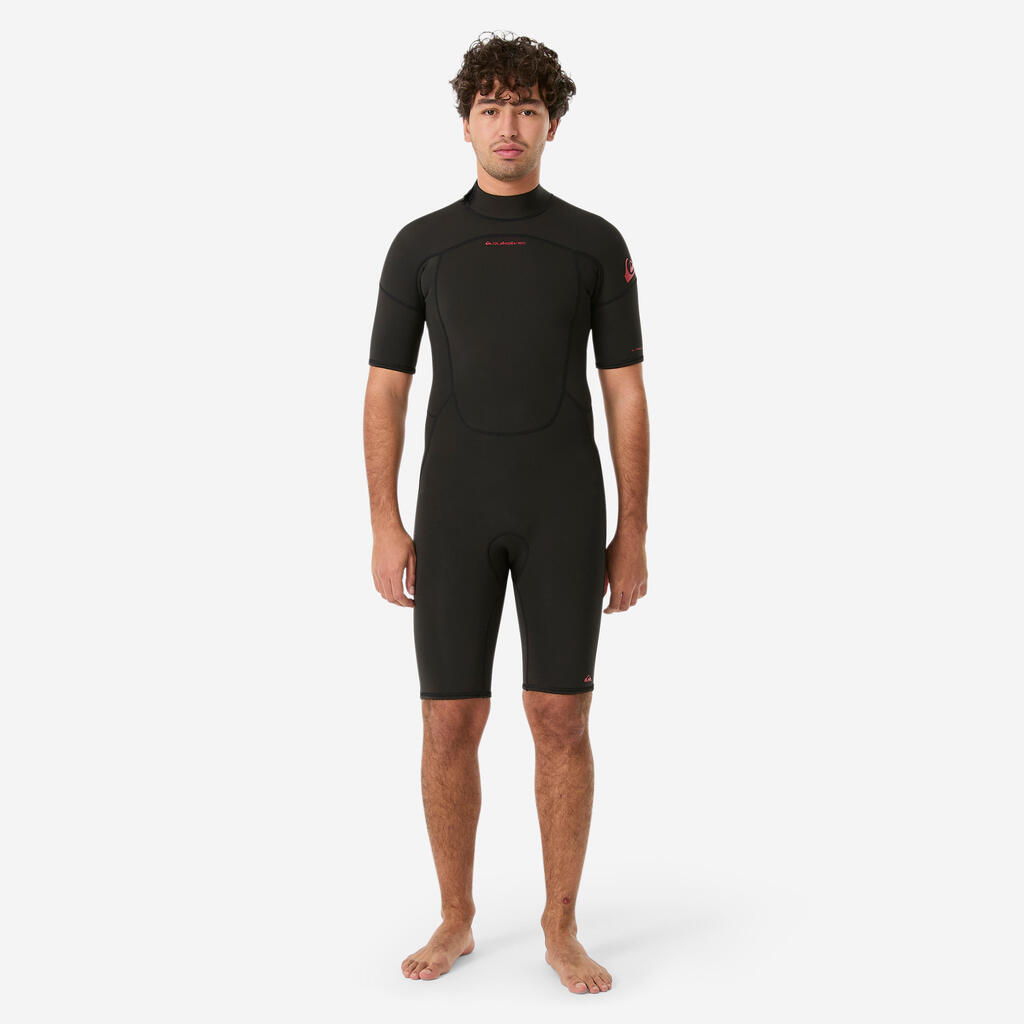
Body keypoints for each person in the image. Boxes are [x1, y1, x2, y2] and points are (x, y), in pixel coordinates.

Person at [363, 31, 649, 996]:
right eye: (492, 108)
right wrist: (385, 521)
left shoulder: (594, 243)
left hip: (563, 505)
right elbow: (386, 390)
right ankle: (456, 915)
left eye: (528, 107)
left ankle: (561, 925)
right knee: (449, 721)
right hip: (452, 509)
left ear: (552, 123)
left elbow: (625, 393)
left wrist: (633, 530)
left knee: (560, 716)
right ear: (466, 124)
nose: (510, 125)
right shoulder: (421, 245)